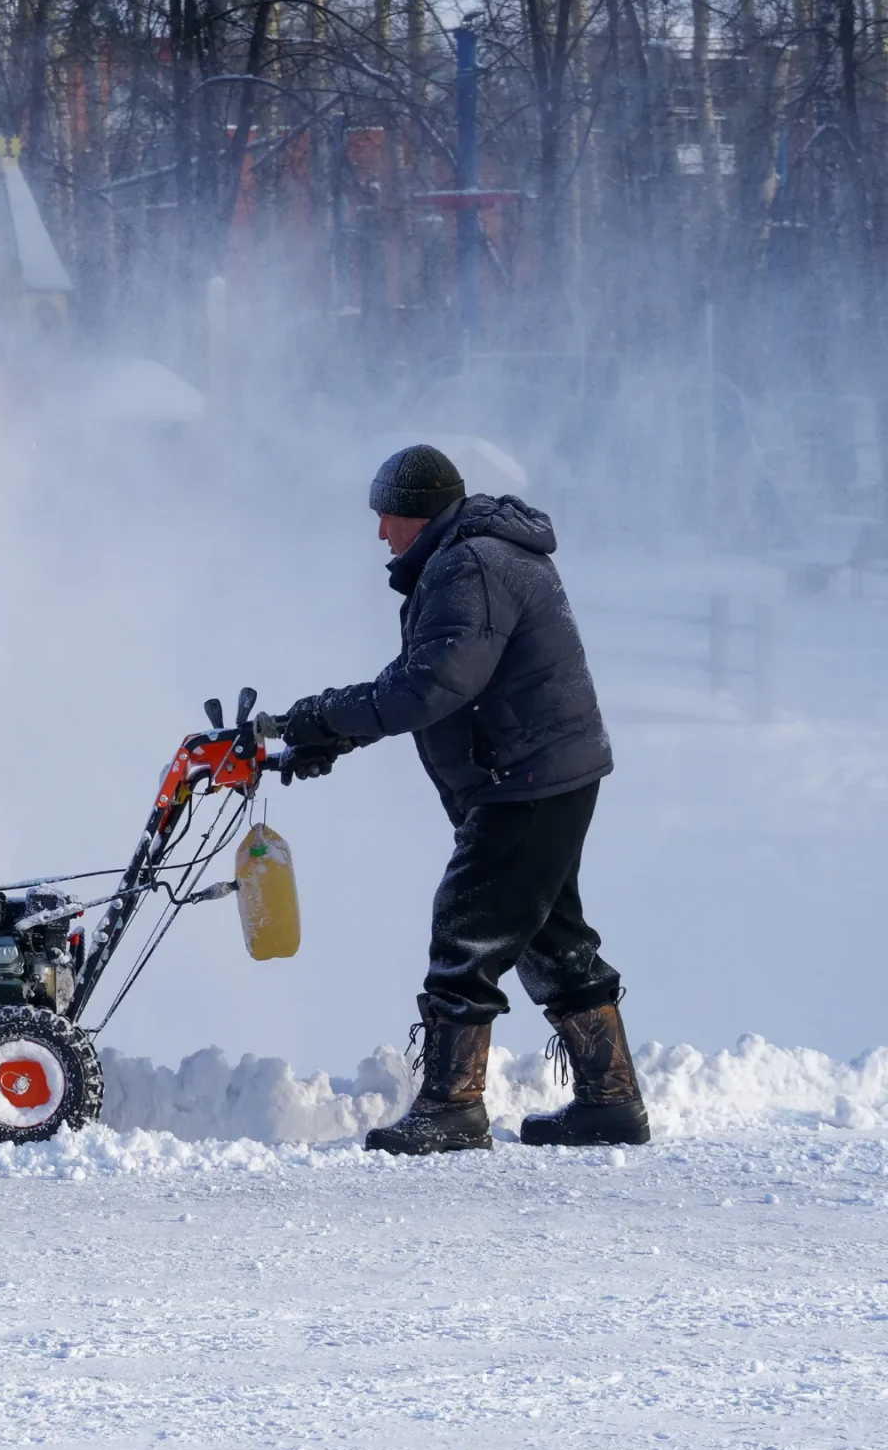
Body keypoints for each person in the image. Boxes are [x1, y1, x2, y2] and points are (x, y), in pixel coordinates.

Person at [278, 444, 649, 1155]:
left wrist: (325, 715)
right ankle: (610, 1102)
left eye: (387, 516)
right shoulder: (469, 558)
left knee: (467, 929)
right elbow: (424, 675)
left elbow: (432, 686)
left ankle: (452, 1106)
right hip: (542, 773)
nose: (380, 533)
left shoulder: (470, 564)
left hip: (526, 779)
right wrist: (333, 734)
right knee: (550, 938)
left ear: (420, 512)